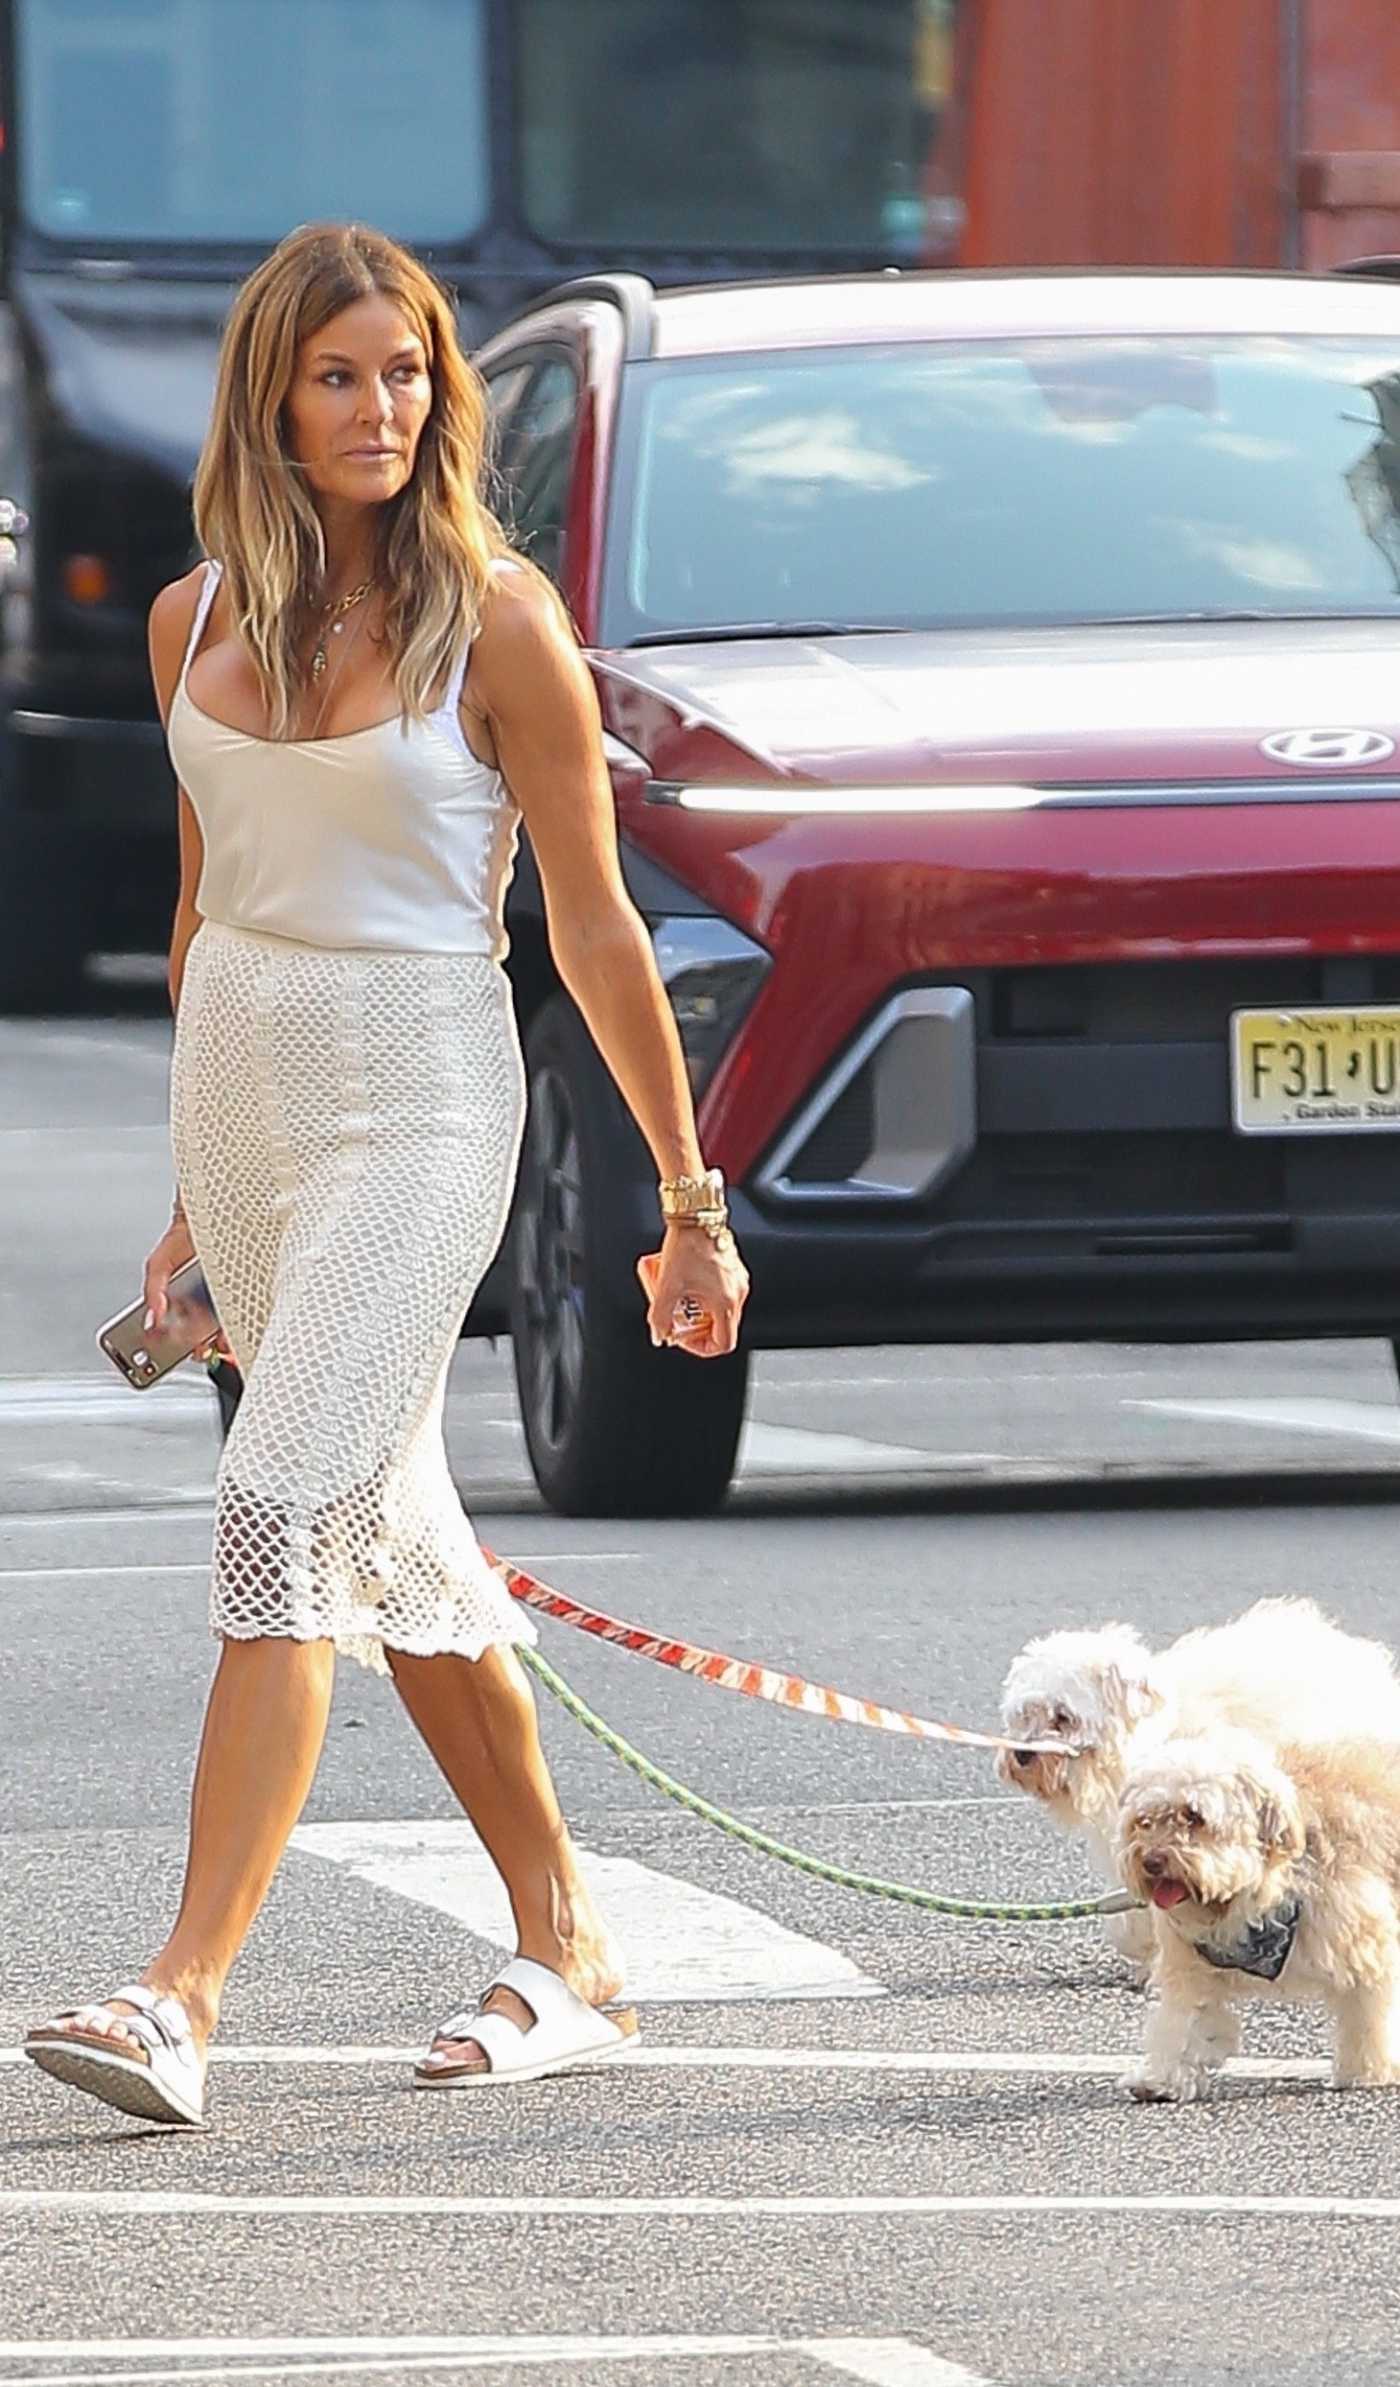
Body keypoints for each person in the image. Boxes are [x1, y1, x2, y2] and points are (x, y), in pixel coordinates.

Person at [24, 222, 749, 2128]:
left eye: (409, 372)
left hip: (422, 1100)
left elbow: (594, 928)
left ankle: (178, 1994)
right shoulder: (191, 622)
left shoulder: (500, 621)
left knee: (280, 1503)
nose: (379, 407)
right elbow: (202, 917)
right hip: (254, 1109)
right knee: (400, 1549)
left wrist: (689, 1198)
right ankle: (569, 1941)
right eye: (339, 374)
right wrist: (192, 1199)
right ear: (273, 393)